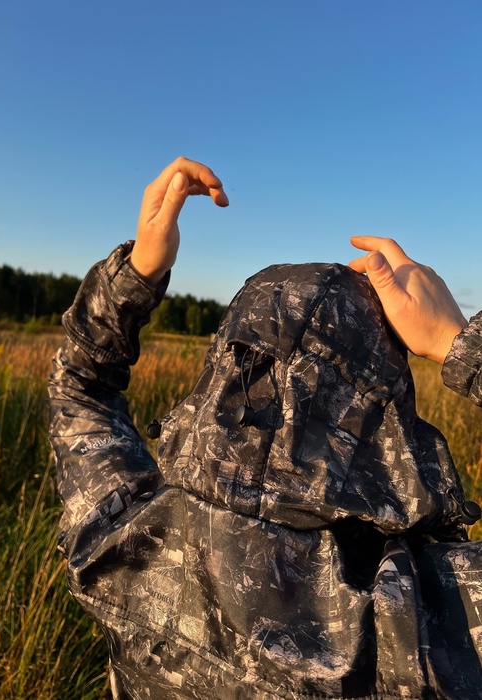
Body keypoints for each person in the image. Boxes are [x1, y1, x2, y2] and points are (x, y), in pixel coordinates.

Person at [49, 157, 482, 700]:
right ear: (382, 414)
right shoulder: (426, 617)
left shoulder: (129, 542)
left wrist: (140, 270)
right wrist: (457, 344)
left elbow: (78, 388)